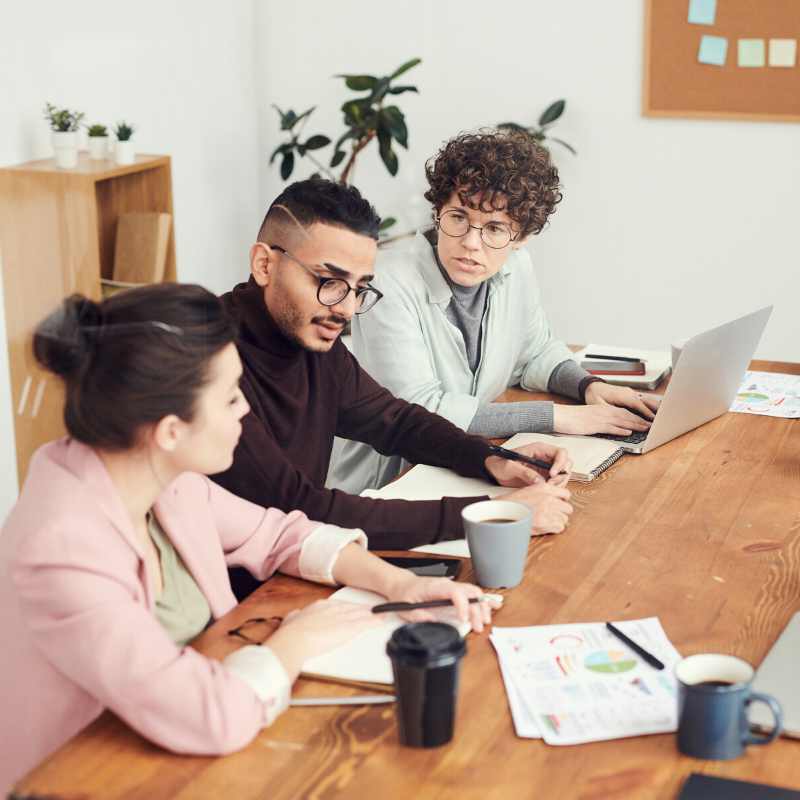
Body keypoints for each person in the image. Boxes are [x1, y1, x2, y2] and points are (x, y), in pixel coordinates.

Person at [0, 284, 501, 790]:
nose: (245, 411)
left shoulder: (157, 475)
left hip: (184, 742)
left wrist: (399, 585)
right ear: (170, 430)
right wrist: (300, 638)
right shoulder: (61, 551)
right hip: (98, 774)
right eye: (230, 397)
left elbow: (279, 533)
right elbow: (210, 713)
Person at [211, 179, 574, 573]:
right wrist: (491, 511)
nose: (347, 309)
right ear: (264, 264)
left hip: (302, 564)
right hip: (237, 601)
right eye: (328, 281)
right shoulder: (211, 365)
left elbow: (394, 420)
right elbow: (301, 507)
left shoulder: (311, 339)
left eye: (359, 288)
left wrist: (492, 459)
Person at [329, 130, 661, 494]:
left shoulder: (516, 268)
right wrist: (561, 417)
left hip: (471, 465)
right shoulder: (389, 283)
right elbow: (420, 411)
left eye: (495, 228)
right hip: (393, 486)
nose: (471, 243)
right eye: (458, 217)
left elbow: (535, 352)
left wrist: (589, 386)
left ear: (521, 238)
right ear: (437, 210)